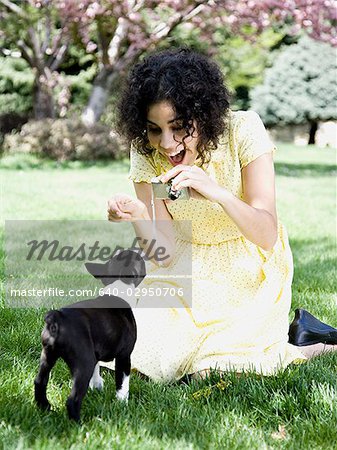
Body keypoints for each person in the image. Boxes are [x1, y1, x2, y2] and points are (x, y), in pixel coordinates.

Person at [106, 48, 337, 382]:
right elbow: (166, 252)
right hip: (186, 266)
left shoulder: (243, 130)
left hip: (247, 264)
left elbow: (266, 234)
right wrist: (140, 215)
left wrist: (217, 193)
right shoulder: (146, 151)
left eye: (179, 127)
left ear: (203, 114)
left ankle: (310, 343)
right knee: (133, 356)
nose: (167, 143)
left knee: (211, 371)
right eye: (155, 129)